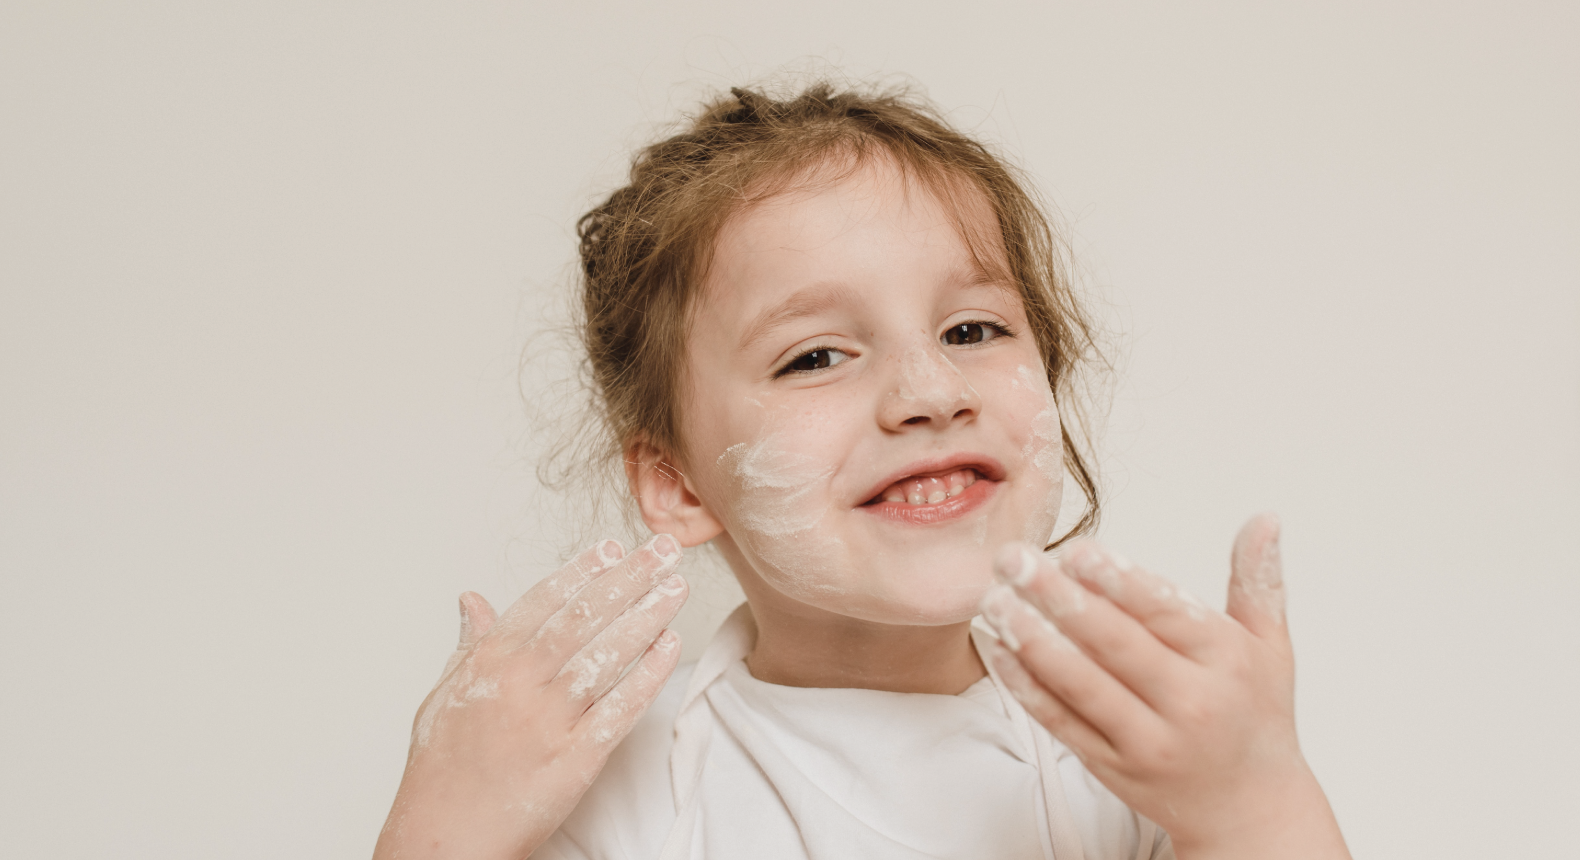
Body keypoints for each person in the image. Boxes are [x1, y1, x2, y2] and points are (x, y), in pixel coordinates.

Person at [372, 82, 1352, 860]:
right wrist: (443, 834)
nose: (929, 389)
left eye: (971, 328)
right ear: (677, 483)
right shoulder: (622, 796)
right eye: (816, 355)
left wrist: (1252, 804)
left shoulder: (1136, 752)